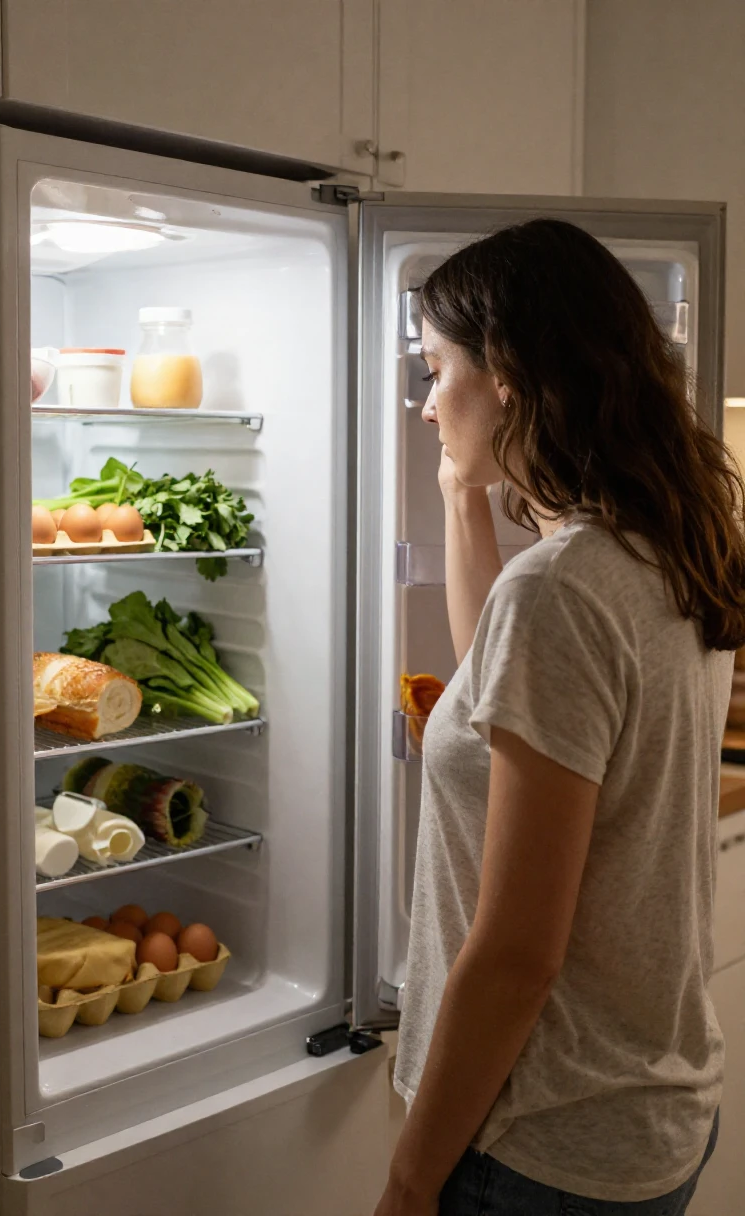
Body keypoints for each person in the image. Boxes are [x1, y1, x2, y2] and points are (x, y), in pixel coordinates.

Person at [374, 218, 745, 1216]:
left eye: (433, 369)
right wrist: (461, 500)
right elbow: (507, 698)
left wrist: (409, 1180)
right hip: (648, 1104)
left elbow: (517, 954)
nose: (423, 403)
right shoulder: (668, 543)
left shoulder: (559, 591)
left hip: (534, 1136)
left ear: (506, 378)